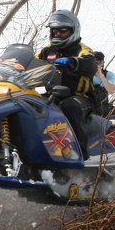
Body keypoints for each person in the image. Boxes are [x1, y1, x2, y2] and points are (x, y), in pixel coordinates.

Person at [33, 9, 99, 156]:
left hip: (80, 98)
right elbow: (30, 63)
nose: (58, 34)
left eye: (63, 31)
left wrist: (73, 61)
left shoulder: (82, 50)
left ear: (72, 31)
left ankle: (78, 154)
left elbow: (90, 64)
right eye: (54, 31)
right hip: (48, 96)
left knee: (69, 106)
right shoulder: (45, 52)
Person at [91, 51, 115, 117]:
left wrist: (101, 76)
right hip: (90, 106)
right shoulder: (87, 75)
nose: (97, 65)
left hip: (103, 107)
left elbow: (111, 91)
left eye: (99, 63)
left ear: (103, 63)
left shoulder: (109, 75)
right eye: (95, 63)